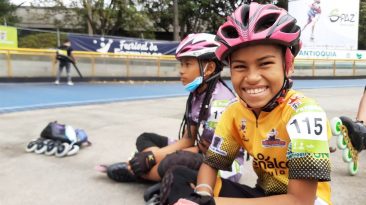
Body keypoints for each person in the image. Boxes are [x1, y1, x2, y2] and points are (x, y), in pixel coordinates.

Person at [162, 2, 332, 205]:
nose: (251, 78)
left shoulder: (305, 114)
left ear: (288, 66)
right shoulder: (234, 111)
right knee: (180, 177)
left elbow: (300, 200)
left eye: (265, 64)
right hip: (262, 196)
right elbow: (210, 164)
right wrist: (203, 194)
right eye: (240, 67)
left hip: (304, 202)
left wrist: (212, 204)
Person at [96, 33, 244, 191]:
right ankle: (155, 170)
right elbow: (188, 139)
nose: (181, 71)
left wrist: (153, 157)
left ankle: (137, 172)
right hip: (201, 151)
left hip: (222, 164)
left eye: (187, 64)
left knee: (175, 160)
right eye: (181, 64)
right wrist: (153, 157)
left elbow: (207, 150)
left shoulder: (220, 102)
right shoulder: (197, 94)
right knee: (145, 138)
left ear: (210, 68)